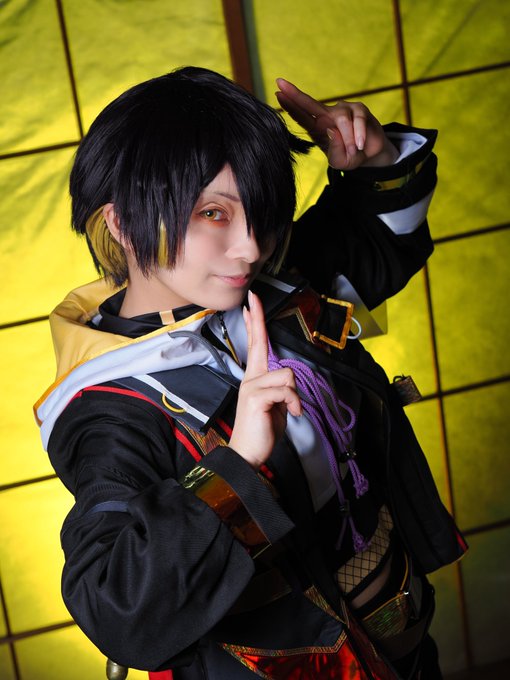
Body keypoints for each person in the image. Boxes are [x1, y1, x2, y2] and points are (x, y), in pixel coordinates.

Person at [34, 66, 466, 680]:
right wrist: (236, 465)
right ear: (123, 223)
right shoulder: (112, 411)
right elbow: (119, 611)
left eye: (258, 212)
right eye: (213, 212)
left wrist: (371, 158)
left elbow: (376, 240)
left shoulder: (269, 290)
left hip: (406, 648)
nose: (250, 247)